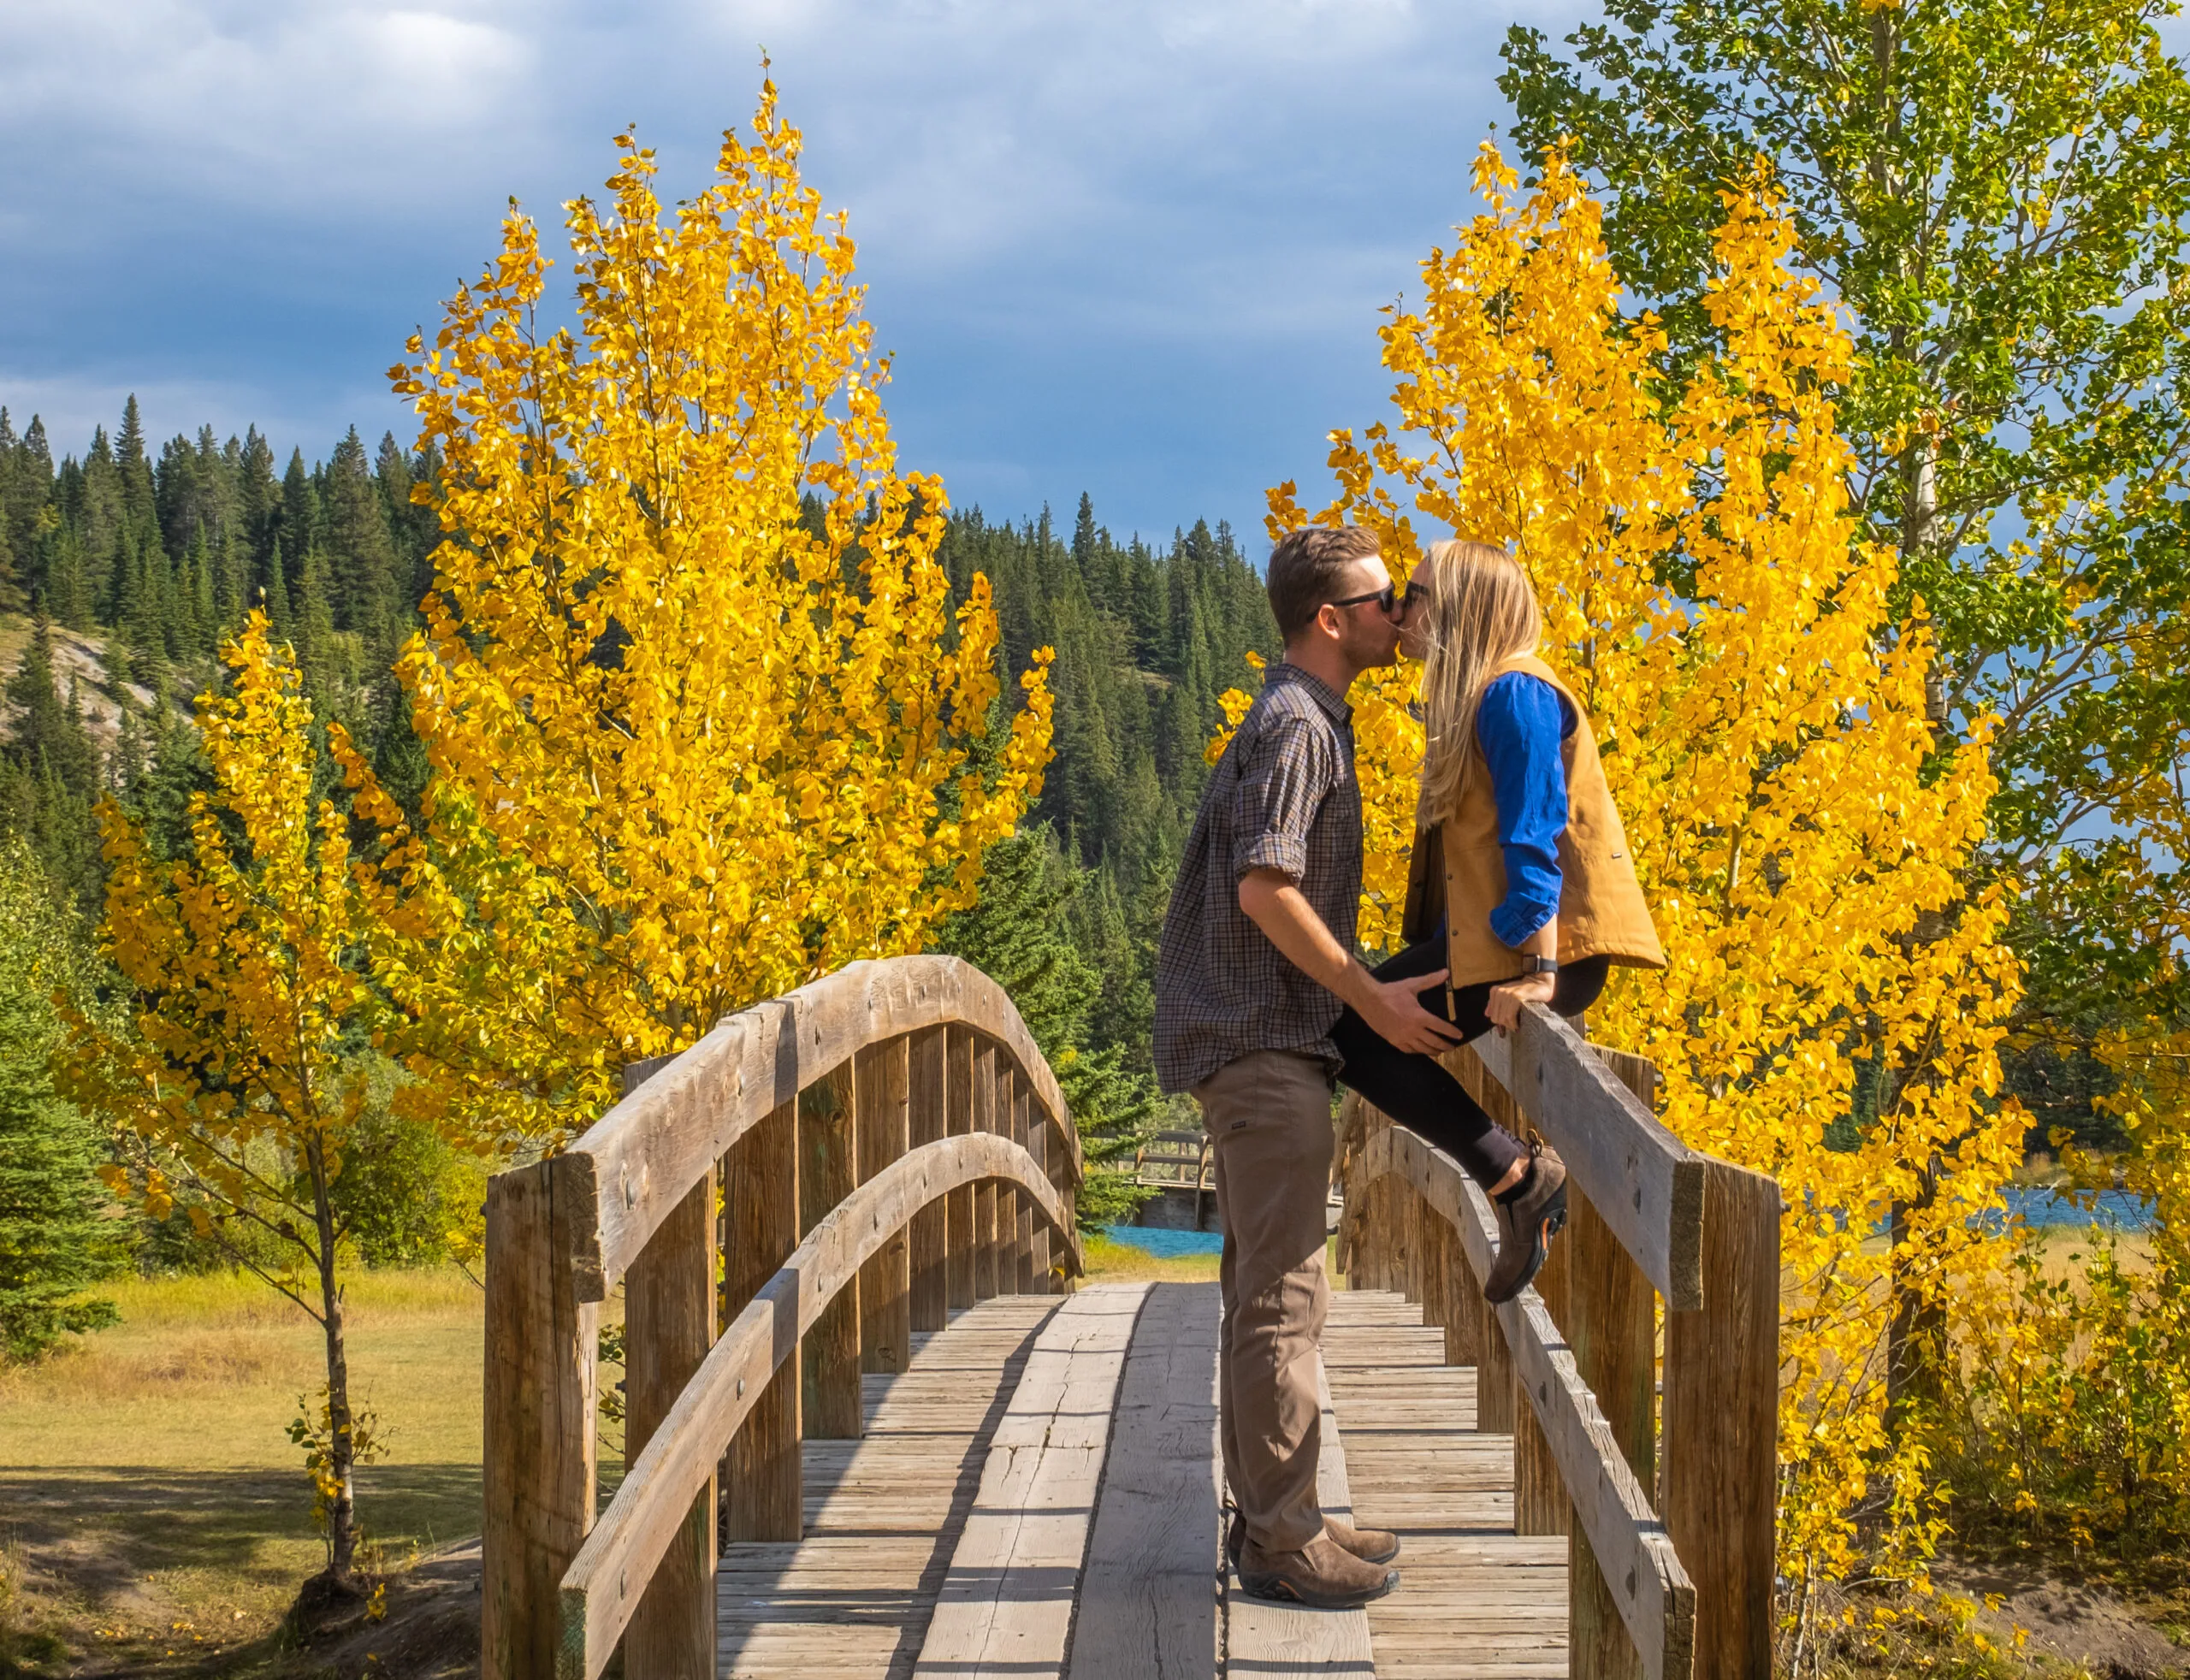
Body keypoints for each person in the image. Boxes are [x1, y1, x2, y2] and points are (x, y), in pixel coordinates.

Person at [1154, 524, 1434, 1610]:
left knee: (1263, 1290)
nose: (1398, 616)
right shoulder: (1298, 725)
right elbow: (1264, 886)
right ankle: (1280, 1538)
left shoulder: (1298, 717)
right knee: (1283, 1296)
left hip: (1255, 1037)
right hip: (1261, 1039)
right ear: (1330, 618)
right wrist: (1367, 993)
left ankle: (1284, 1511)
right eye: (1381, 600)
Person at [1330, 536, 1666, 1304]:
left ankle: (1517, 1179)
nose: (1398, 611)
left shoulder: (1515, 692)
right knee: (1354, 1028)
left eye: (1411, 595)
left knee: (1348, 1032)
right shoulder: (1488, 693)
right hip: (1503, 948)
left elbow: (1534, 830)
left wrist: (1539, 974)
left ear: (1458, 610)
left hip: (1540, 953)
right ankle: (1514, 1178)